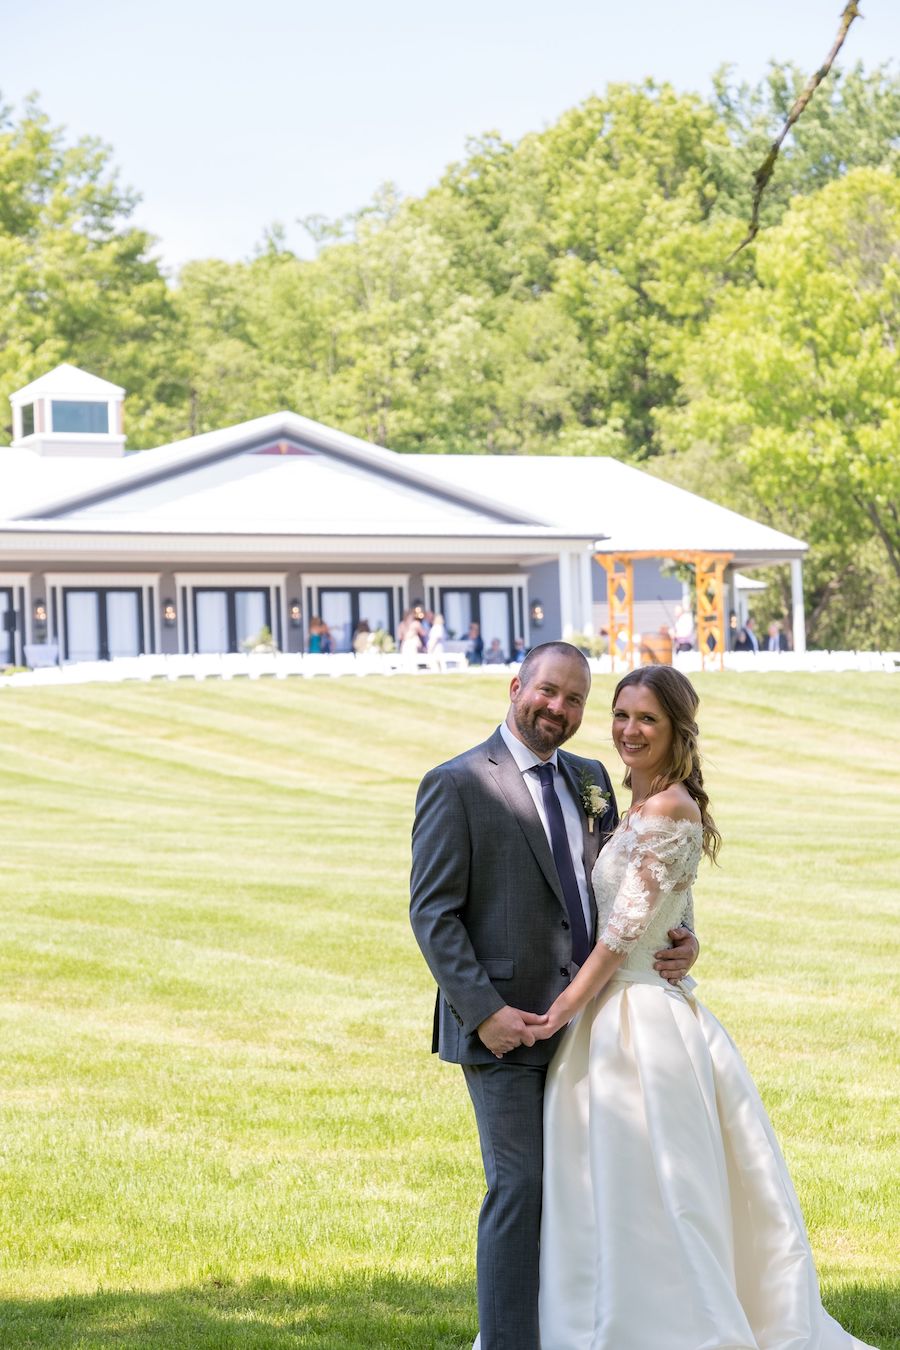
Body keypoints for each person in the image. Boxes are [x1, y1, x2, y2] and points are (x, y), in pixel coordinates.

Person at [533, 665, 875, 1350]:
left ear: (676, 730)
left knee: (654, 1182)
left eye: (647, 720)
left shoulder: (669, 808)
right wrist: (688, 940)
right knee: (598, 1179)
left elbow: (625, 932)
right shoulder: (633, 801)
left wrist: (560, 1011)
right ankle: (587, 1315)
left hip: (635, 1018)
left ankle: (662, 1323)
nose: (629, 730)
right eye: (622, 714)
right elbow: (672, 906)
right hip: (617, 1008)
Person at [410, 644, 699, 1350]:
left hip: (594, 1030)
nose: (558, 709)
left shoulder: (593, 779)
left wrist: (685, 934)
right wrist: (487, 1014)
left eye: (573, 700)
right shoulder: (457, 784)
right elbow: (433, 914)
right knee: (520, 1190)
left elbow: (632, 884)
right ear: (517, 686)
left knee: (586, 1195)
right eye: (548, 692)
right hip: (505, 1031)